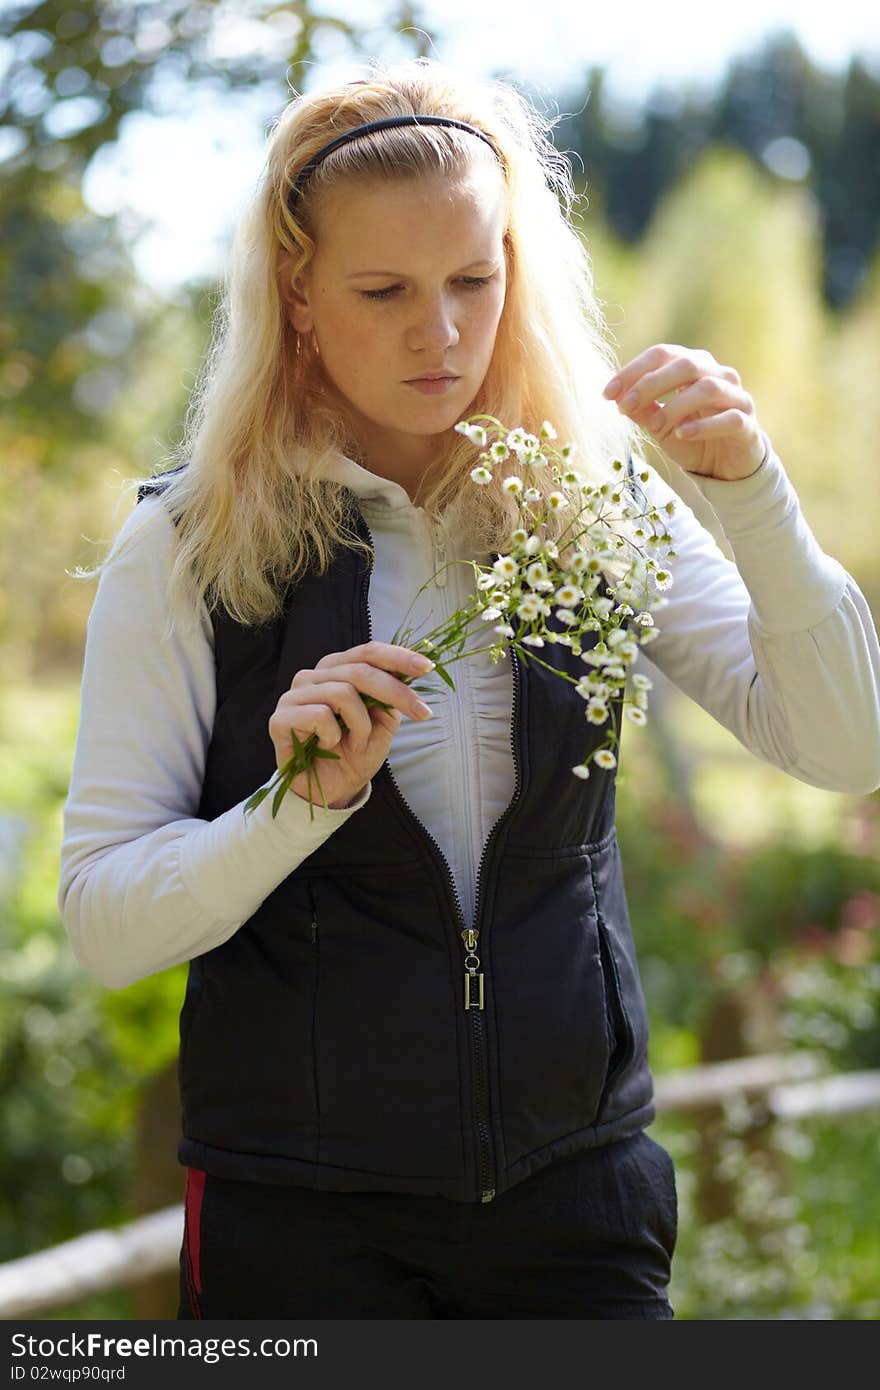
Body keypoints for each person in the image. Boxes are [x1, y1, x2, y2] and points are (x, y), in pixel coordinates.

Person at [58, 56, 880, 1321]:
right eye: (383, 289)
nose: (438, 333)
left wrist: (751, 493)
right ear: (299, 292)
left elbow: (843, 747)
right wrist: (296, 805)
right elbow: (105, 925)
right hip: (299, 1224)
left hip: (579, 1198)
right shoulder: (187, 545)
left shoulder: (592, 501)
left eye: (473, 282)